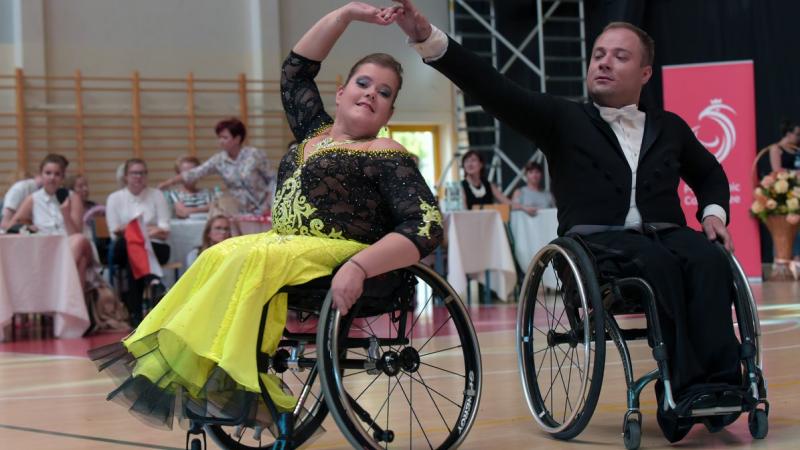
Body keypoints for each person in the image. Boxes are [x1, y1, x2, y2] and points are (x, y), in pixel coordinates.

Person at [90, 3, 442, 443]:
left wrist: (360, 266)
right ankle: (193, 366)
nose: (371, 93)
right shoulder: (311, 132)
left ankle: (241, 383)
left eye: (384, 93)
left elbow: (425, 225)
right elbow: (295, 71)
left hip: (346, 256)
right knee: (219, 252)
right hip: (286, 248)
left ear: (388, 115)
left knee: (257, 255)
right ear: (341, 92)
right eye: (363, 83)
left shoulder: (386, 153)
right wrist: (347, 14)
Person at [393, 0, 739, 441]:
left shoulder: (669, 126)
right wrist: (428, 38)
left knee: (711, 260)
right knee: (660, 267)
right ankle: (686, 393)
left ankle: (727, 385)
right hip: (598, 246)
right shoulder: (563, 118)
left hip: (667, 234)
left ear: (645, 74)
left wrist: (712, 213)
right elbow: (492, 87)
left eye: (620, 56)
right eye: (599, 54)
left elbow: (709, 174)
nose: (604, 63)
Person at [158, 118, 276, 216]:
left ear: (237, 139)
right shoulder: (219, 160)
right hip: (240, 211)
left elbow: (272, 179)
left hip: (265, 208)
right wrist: (168, 183)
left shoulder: (255, 155)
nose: (220, 141)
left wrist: (269, 203)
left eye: (225, 138)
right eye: (219, 137)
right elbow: (195, 173)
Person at [9, 154, 94, 288]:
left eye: (57, 174)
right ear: (41, 175)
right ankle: (72, 306)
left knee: (79, 241)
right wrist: (27, 228)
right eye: (48, 173)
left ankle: (58, 281)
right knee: (81, 261)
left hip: (70, 244)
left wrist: (66, 215)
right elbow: (11, 225)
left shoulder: (73, 198)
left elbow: (75, 234)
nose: (52, 178)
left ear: (62, 178)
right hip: (45, 248)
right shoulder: (33, 199)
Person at [106, 158, 171, 324]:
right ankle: (153, 281)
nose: (138, 177)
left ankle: (135, 313)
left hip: (155, 248)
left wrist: (135, 231)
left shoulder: (156, 195)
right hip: (124, 246)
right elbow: (114, 231)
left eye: (142, 173)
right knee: (131, 248)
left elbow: (164, 231)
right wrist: (145, 230)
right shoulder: (114, 198)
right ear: (126, 176)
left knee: (133, 254)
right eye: (134, 173)